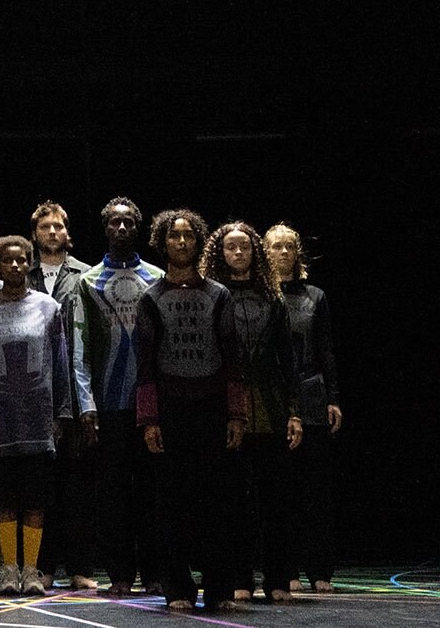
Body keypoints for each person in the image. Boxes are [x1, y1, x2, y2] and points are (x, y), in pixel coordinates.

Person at [136, 207, 247, 613]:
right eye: (173, 236)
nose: (181, 242)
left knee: (217, 503)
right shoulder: (151, 299)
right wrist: (148, 419)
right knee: (171, 506)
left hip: (213, 409)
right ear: (162, 243)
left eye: (188, 236)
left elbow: (233, 359)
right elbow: (144, 364)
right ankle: (177, 588)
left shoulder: (219, 294)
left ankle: (219, 588)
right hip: (170, 411)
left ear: (199, 242)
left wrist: (237, 414)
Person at [0, 235, 76, 596]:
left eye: (21, 260)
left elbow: (60, 364)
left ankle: (31, 571)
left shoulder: (48, 308)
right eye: (7, 261)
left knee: (35, 498)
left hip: (38, 417)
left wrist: (61, 413)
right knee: (3, 498)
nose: (15, 266)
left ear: (29, 263)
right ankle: (9, 570)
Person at [207, 221, 302, 602]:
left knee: (274, 499)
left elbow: (288, 361)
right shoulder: (211, 296)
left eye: (244, 247)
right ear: (220, 252)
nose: (238, 254)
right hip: (227, 408)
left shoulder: (272, 297)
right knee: (234, 500)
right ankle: (239, 576)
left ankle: (277, 577)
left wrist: (294, 412)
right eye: (231, 247)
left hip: (269, 404)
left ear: (254, 252)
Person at [74, 197, 163, 595]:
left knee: (154, 489)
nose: (122, 229)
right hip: (107, 404)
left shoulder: (157, 278)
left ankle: (156, 570)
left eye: (129, 223)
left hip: (151, 405)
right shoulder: (88, 281)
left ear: (138, 229)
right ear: (105, 228)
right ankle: (121, 574)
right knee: (112, 494)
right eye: (115, 223)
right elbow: (80, 347)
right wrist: (86, 403)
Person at [264, 224, 342, 597]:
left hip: (311, 394)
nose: (282, 253)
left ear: (297, 254)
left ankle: (319, 568)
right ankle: (285, 568)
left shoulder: (315, 296)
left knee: (315, 491)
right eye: (275, 247)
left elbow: (326, 349)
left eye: (288, 247)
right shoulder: (262, 295)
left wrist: (333, 397)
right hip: (274, 399)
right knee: (282, 491)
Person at [27, 201, 95, 589]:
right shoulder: (21, 273)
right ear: (35, 233)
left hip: (74, 389)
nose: (52, 232)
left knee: (76, 482)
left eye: (58, 227)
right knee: (42, 482)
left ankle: (81, 567)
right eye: (45, 227)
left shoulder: (84, 276)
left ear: (68, 233)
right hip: (34, 393)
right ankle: (44, 564)